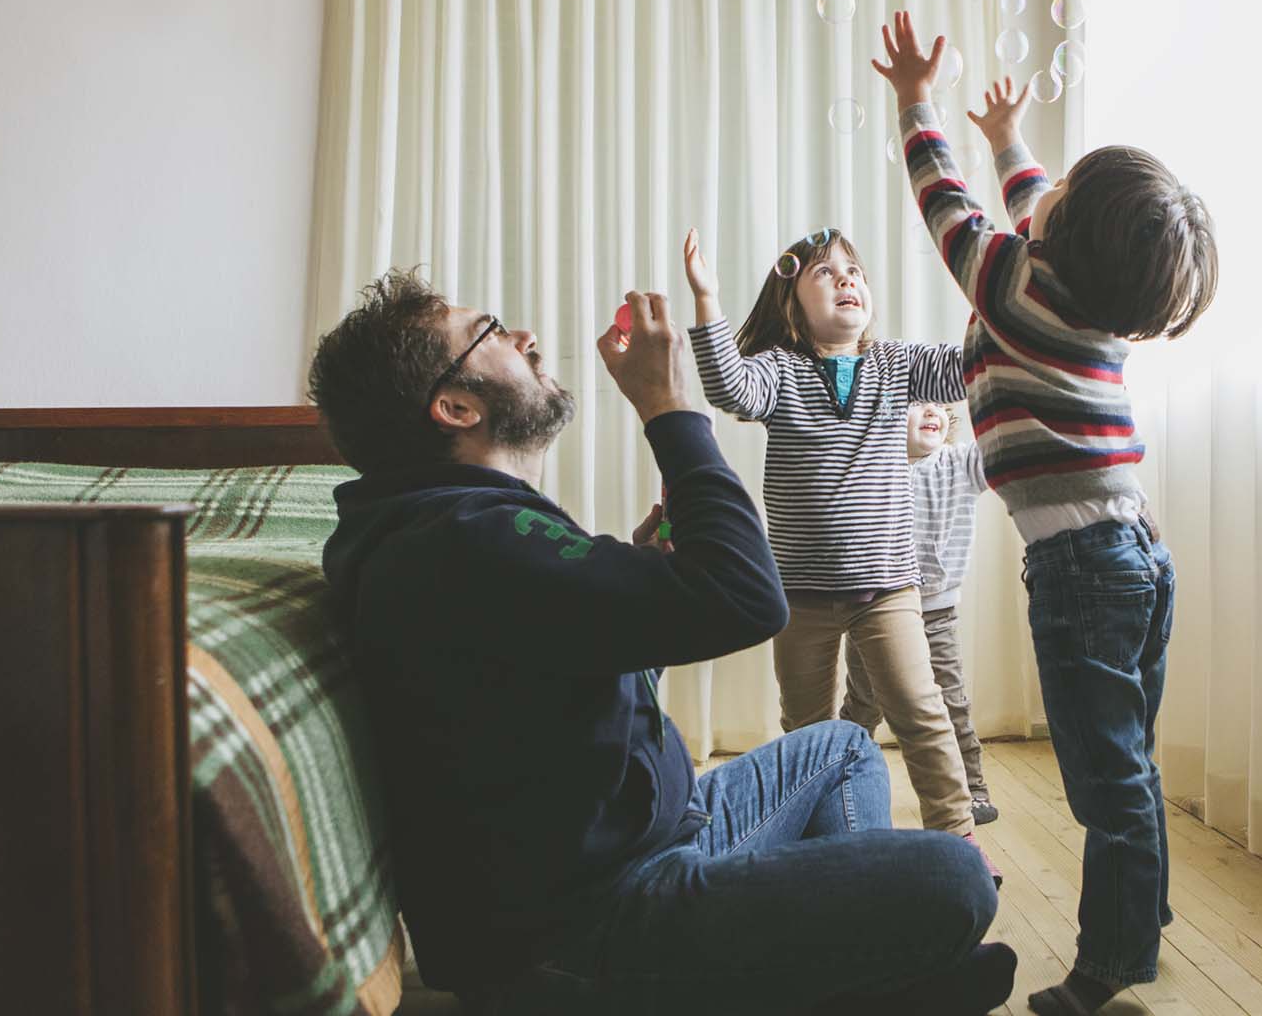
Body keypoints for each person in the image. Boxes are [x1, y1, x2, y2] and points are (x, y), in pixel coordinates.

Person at [306, 268, 1015, 1015]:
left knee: (840, 746)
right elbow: (751, 599)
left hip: (653, 844)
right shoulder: (470, 539)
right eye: (491, 334)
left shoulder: (457, 532)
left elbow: (558, 673)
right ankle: (845, 979)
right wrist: (668, 406)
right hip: (594, 930)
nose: (526, 339)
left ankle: (839, 974)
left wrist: (642, 576)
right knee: (955, 881)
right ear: (454, 406)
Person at [872, 11, 1219, 1016]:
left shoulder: (1015, 288)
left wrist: (916, 104)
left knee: (1102, 783)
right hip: (1136, 552)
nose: (1041, 195)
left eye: (1056, 196)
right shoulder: (1082, 296)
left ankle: (1108, 967)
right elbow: (1034, 204)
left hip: (1084, 568)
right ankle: (1138, 909)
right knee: (1129, 764)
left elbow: (948, 211)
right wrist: (1010, 139)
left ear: (1062, 238)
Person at [681, 226, 998, 878]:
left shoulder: (894, 364)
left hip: (888, 589)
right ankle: (816, 847)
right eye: (825, 273)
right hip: (799, 594)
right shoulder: (781, 371)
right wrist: (707, 300)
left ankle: (960, 841)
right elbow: (729, 389)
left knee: (922, 712)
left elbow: (970, 365)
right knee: (807, 729)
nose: (847, 279)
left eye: (854, 270)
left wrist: (994, 292)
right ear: (792, 304)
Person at [842, 402, 998, 825]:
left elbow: (999, 445)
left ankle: (973, 789)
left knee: (951, 700)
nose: (931, 411)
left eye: (938, 406)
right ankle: (835, 783)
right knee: (864, 701)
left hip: (937, 611)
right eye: (916, 404)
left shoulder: (960, 463)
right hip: (875, 610)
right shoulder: (873, 465)